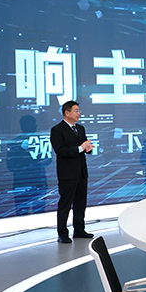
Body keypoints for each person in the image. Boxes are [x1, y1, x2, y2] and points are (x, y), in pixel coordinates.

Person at [50, 101, 93, 243]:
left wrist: (88, 149)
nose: (78, 113)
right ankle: (62, 233)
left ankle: (79, 230)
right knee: (65, 204)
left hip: (81, 172)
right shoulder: (57, 130)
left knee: (80, 203)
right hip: (67, 173)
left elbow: (83, 147)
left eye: (79, 111)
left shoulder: (80, 128)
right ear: (66, 113)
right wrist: (80, 148)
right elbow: (60, 151)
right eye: (76, 111)